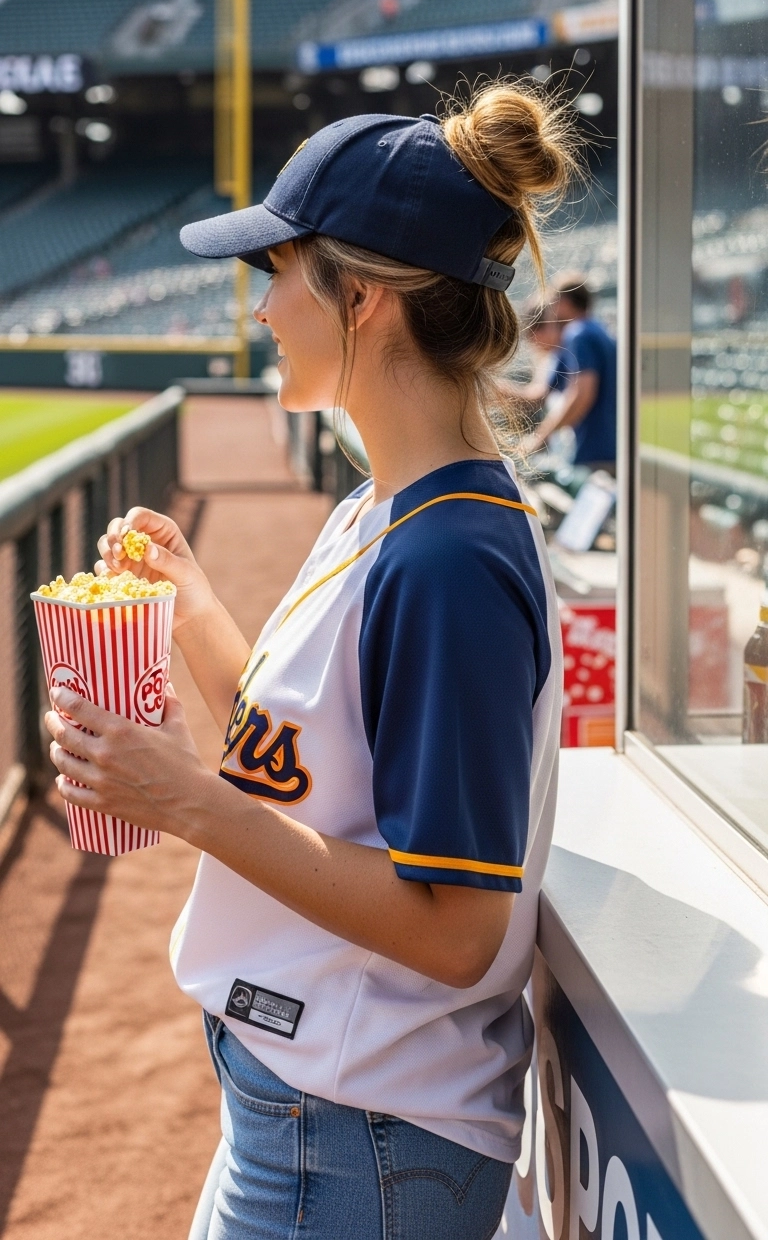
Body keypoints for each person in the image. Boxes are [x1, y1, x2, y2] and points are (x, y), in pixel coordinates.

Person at [44, 85, 580, 1240]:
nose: (264, 307)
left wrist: (185, 803)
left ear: (367, 298)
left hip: (358, 1136)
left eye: (279, 271)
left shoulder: (447, 558)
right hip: (320, 1111)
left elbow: (455, 928)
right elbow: (304, 768)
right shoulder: (389, 509)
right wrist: (190, 607)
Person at [526, 273, 617, 469]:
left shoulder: (578, 333)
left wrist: (541, 436)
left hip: (595, 452)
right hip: (612, 447)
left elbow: (581, 394)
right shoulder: (599, 331)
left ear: (565, 302)